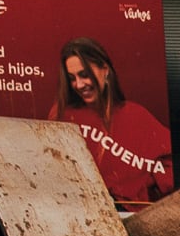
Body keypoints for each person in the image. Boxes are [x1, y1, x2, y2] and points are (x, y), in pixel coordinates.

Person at [50, 37, 173, 205]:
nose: (78, 85)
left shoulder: (135, 115)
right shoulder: (63, 114)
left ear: (105, 70)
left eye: (85, 75)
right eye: (72, 78)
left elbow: (169, 169)